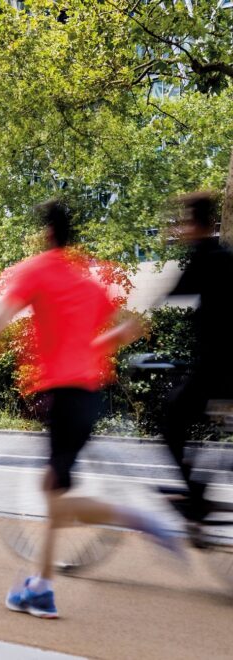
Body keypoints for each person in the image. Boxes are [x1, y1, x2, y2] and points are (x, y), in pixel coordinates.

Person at [0, 199, 179, 619]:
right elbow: (134, 325)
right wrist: (94, 348)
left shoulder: (36, 269)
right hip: (89, 393)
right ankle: (41, 587)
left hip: (61, 395)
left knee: (57, 495)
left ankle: (137, 518)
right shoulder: (87, 279)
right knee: (56, 491)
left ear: (47, 233)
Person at [159, 191, 233, 520]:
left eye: (185, 222)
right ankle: (200, 491)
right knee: (211, 426)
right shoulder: (226, 255)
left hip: (214, 371)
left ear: (195, 224)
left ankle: (196, 494)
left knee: (171, 420)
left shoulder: (204, 257)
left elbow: (172, 295)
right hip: (223, 373)